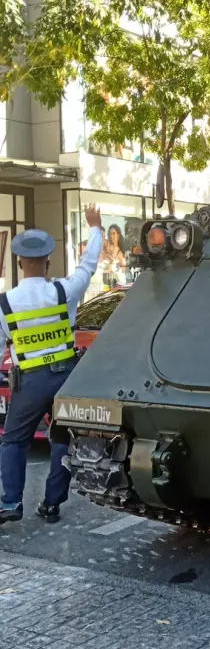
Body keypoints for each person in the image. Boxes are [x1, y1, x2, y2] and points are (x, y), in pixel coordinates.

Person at [0, 204, 103, 525]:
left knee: (14, 441)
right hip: (65, 378)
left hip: (28, 382)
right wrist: (95, 227)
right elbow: (89, 265)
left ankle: (10, 503)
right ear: (46, 264)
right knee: (62, 440)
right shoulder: (64, 291)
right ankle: (51, 504)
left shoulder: (4, 304)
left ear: (19, 263)